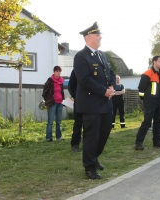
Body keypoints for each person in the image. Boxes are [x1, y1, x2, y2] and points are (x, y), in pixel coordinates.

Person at [73, 22, 116, 179]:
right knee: (92, 137)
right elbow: (84, 80)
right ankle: (89, 167)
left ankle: (94, 158)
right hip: (91, 105)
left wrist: (112, 86)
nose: (100, 38)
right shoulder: (80, 56)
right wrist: (103, 91)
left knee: (103, 134)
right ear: (88, 37)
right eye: (98, 35)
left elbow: (111, 72)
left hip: (105, 103)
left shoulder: (102, 55)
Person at [135, 56, 160, 150]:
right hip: (150, 102)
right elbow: (141, 89)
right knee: (147, 122)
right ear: (154, 62)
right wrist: (145, 100)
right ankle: (138, 142)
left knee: (158, 122)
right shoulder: (147, 74)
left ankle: (157, 141)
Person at [42, 66, 65, 142]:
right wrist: (48, 100)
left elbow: (61, 92)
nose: (58, 73)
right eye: (57, 71)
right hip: (52, 103)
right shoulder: (50, 80)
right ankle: (49, 137)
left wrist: (63, 100)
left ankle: (59, 136)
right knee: (50, 121)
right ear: (54, 72)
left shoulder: (61, 81)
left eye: (59, 71)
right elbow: (44, 92)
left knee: (59, 121)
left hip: (60, 103)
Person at [68, 69, 83, 152]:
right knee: (78, 123)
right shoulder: (75, 71)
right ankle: (75, 144)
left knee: (89, 123)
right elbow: (70, 85)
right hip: (79, 101)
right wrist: (76, 96)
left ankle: (88, 143)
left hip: (90, 101)